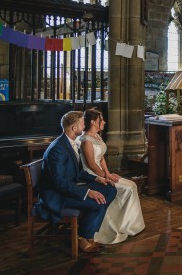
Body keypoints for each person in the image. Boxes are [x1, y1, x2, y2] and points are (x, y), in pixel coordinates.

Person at [35, 111, 117, 253]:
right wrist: (87, 192)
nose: (84, 126)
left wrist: (97, 178)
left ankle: (86, 233)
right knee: (98, 203)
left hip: (68, 188)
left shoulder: (70, 142)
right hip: (57, 195)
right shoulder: (57, 149)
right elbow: (59, 183)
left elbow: (77, 172)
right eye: (82, 124)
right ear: (74, 128)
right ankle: (84, 238)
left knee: (110, 189)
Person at [78, 108, 145, 244]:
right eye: (101, 120)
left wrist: (108, 173)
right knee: (126, 189)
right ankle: (110, 226)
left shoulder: (97, 136)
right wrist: (104, 176)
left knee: (132, 185)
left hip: (102, 172)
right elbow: (91, 164)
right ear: (93, 122)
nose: (104, 122)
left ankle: (128, 224)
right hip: (92, 175)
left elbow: (101, 158)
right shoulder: (85, 140)